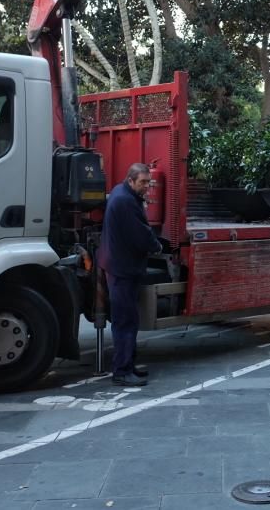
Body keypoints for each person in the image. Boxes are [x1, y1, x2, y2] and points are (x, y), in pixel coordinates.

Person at [99, 162, 163, 387]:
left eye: (149, 182)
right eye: (143, 182)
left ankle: (127, 365)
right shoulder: (126, 201)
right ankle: (122, 371)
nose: (147, 187)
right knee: (125, 322)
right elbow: (141, 235)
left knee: (128, 320)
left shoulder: (120, 191)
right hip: (122, 269)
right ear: (131, 180)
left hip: (119, 266)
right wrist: (157, 246)